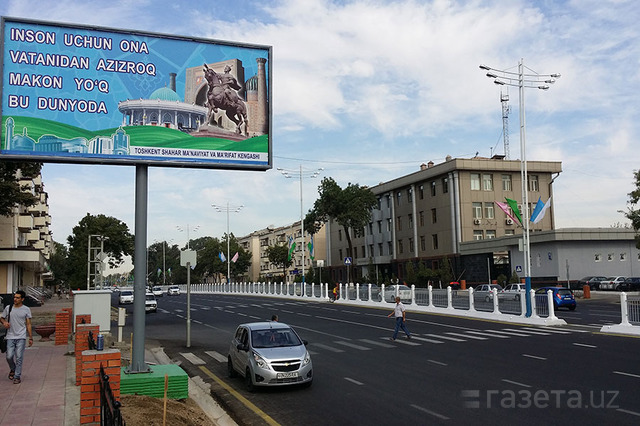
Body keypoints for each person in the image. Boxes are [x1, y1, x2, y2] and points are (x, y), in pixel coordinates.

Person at [1, 290, 33, 384]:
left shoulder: (26, 309)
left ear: (22, 299)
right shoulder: (9, 308)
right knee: (9, 356)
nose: (15, 299)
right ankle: (13, 368)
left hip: (21, 336)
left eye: (18, 298)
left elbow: (28, 324)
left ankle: (17, 376)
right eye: (14, 297)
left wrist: (30, 337)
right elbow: (2, 318)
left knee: (19, 357)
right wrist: (4, 323)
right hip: (10, 336)